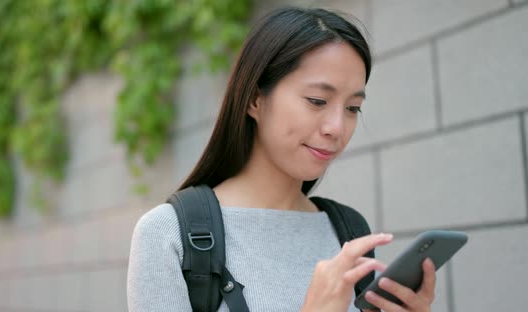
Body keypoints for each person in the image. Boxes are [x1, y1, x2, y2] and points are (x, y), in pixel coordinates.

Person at [127, 6, 436, 312]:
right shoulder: (167, 234)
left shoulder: (350, 231)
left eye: (353, 108)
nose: (337, 128)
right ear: (254, 99)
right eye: (317, 101)